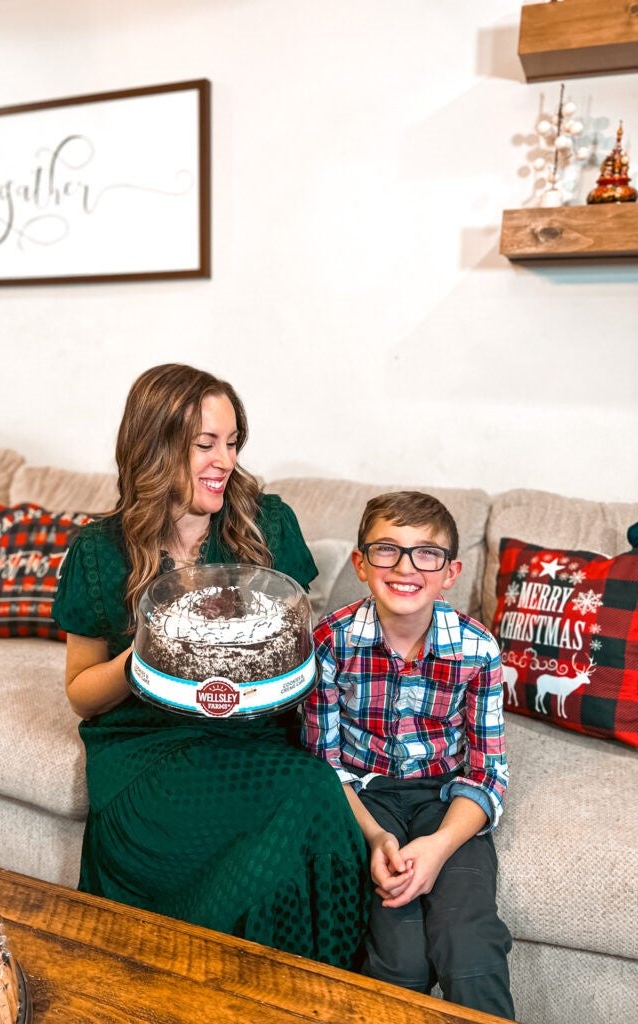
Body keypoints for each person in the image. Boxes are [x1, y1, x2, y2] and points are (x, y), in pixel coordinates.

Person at [52, 362, 370, 968]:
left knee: (313, 799)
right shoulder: (99, 550)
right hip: (151, 751)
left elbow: (297, 651)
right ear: (154, 447)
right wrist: (150, 649)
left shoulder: (267, 522)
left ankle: (305, 992)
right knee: (302, 799)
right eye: (204, 445)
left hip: (256, 736)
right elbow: (82, 694)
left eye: (231, 442)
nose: (224, 460)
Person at [301, 490, 514, 1019]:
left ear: (451, 573)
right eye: (387, 550)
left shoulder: (477, 649)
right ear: (361, 564)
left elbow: (487, 772)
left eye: (426, 554)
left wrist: (439, 847)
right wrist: (375, 836)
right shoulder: (329, 642)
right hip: (364, 799)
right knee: (400, 963)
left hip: (446, 799)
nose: (405, 567)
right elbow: (322, 765)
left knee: (468, 941)